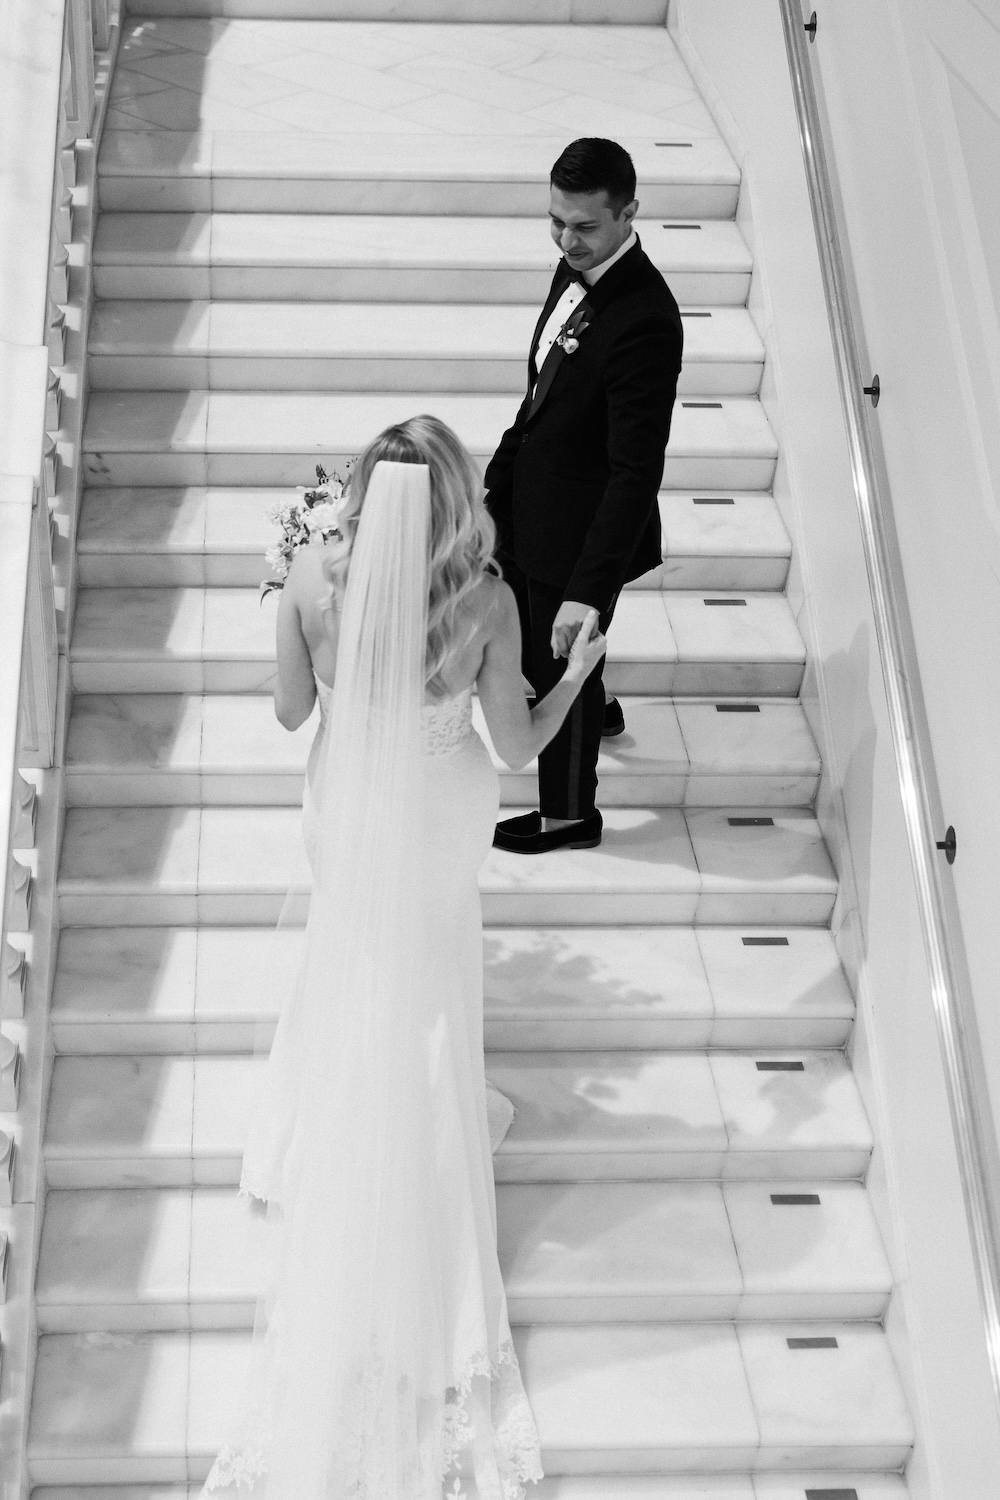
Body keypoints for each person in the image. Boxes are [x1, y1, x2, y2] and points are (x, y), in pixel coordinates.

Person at [201, 414, 606, 1500]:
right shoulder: (483, 602)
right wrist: (577, 680)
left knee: (353, 957)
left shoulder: (308, 579)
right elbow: (514, 748)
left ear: (360, 501)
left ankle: (324, 1130)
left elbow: (291, 714)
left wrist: (306, 626)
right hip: (437, 813)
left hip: (348, 804)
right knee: (426, 987)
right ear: (456, 499)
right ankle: (417, 1153)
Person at [485, 137, 684, 855]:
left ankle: (570, 815)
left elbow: (635, 472)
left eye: (584, 226)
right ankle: (594, 707)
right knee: (553, 659)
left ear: (629, 212)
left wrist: (586, 590)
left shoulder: (646, 320)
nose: (566, 240)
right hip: (533, 503)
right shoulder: (575, 266)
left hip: (582, 531)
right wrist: (494, 488)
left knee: (552, 659)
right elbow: (541, 397)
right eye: (555, 222)